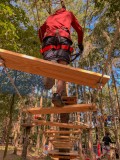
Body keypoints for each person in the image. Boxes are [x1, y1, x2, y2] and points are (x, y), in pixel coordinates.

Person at [39, 0, 84, 106]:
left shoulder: (50, 17)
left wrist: (43, 41)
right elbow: (80, 30)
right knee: (61, 69)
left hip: (48, 39)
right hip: (64, 38)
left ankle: (50, 72)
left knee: (50, 61)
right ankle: (58, 95)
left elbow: (41, 30)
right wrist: (80, 43)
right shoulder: (69, 14)